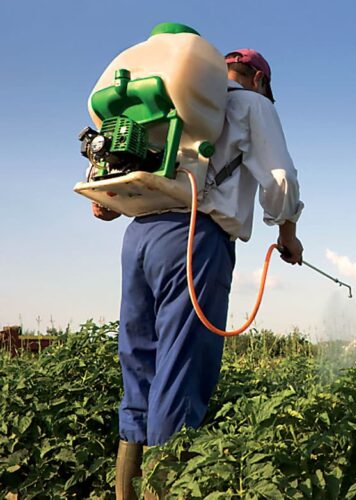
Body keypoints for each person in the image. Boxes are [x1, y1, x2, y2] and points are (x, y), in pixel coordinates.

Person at [93, 49, 304, 499]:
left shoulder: (174, 98)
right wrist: (287, 233)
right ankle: (163, 490)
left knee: (139, 364)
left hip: (139, 237)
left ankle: (126, 491)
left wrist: (109, 201)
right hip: (193, 237)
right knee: (180, 371)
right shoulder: (250, 103)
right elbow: (279, 178)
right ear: (260, 80)